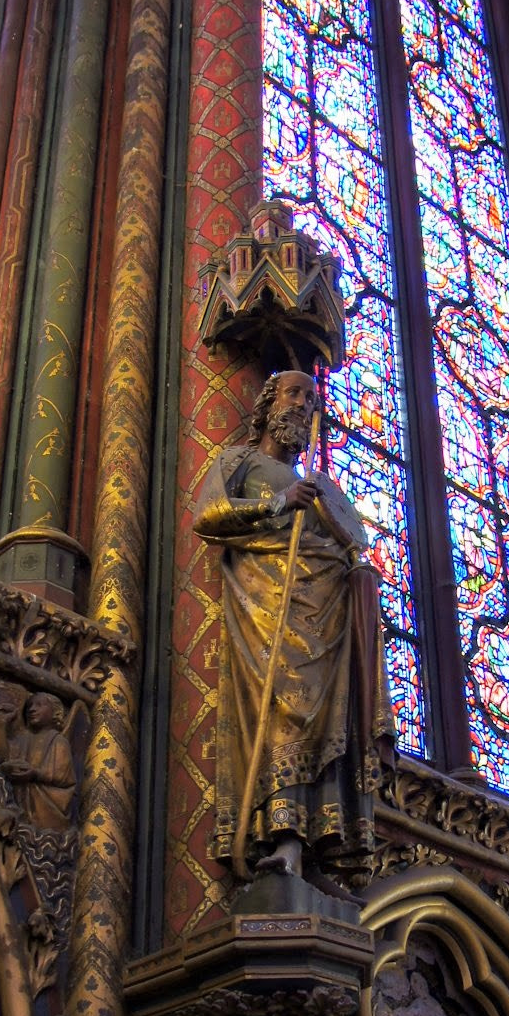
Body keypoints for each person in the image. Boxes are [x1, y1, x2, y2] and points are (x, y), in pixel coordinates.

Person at [195, 370, 394, 889]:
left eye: (310, 398)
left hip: (322, 607)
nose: (303, 405)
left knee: (326, 723)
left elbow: (354, 542)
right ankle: (278, 836)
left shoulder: (323, 487)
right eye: (293, 394)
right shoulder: (237, 462)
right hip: (266, 601)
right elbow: (208, 516)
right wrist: (281, 504)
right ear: (267, 404)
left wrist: (353, 560)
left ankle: (314, 844)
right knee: (285, 712)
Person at [0, 692, 77, 831]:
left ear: (55, 712)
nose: (32, 709)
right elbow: (1, 757)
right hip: (19, 800)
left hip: (47, 804)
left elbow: (63, 777)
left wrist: (34, 774)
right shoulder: (22, 739)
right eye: (29, 706)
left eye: (39, 705)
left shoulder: (58, 741)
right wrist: (2, 723)